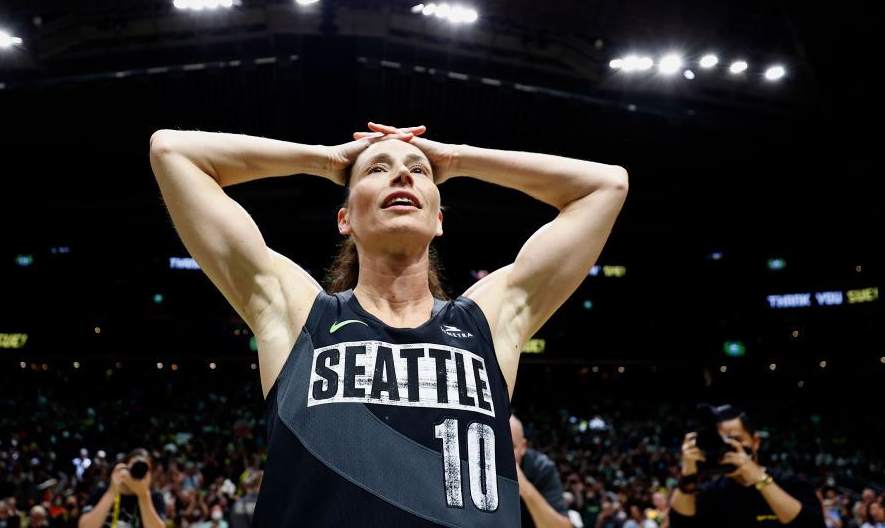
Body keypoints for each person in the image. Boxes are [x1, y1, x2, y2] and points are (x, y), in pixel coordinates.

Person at [150, 121, 628, 526]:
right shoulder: (300, 316)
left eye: (418, 172)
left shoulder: (488, 322)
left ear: (440, 219)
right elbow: (174, 152)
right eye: (378, 170)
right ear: (345, 219)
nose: (401, 173)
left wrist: (457, 159)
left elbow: (605, 185)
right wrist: (327, 159)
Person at [668, 404, 823, 527]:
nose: (729, 447)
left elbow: (811, 524)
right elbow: (679, 523)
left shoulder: (792, 485)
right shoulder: (709, 493)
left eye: (736, 439)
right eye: (721, 441)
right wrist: (687, 477)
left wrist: (758, 478)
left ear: (755, 442)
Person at [509, 415, 574, 527]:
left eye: (511, 447)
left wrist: (525, 488)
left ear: (523, 447)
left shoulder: (542, 468)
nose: (502, 455)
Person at [78, 450, 165, 528]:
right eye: (134, 467)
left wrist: (143, 496)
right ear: (125, 468)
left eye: (144, 470)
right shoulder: (102, 492)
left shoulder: (154, 498)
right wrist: (112, 491)